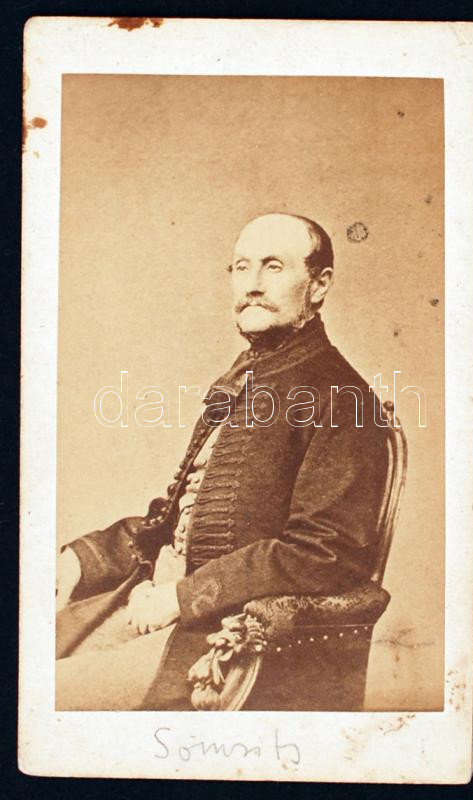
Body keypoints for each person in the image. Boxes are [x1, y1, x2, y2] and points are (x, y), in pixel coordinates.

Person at [55, 212, 388, 711]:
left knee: (49, 695)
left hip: (219, 639)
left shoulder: (344, 399)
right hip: (150, 604)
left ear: (319, 285)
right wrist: (83, 559)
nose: (252, 285)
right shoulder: (239, 380)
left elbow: (324, 554)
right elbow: (176, 518)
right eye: (241, 267)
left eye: (273, 267)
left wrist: (182, 597)